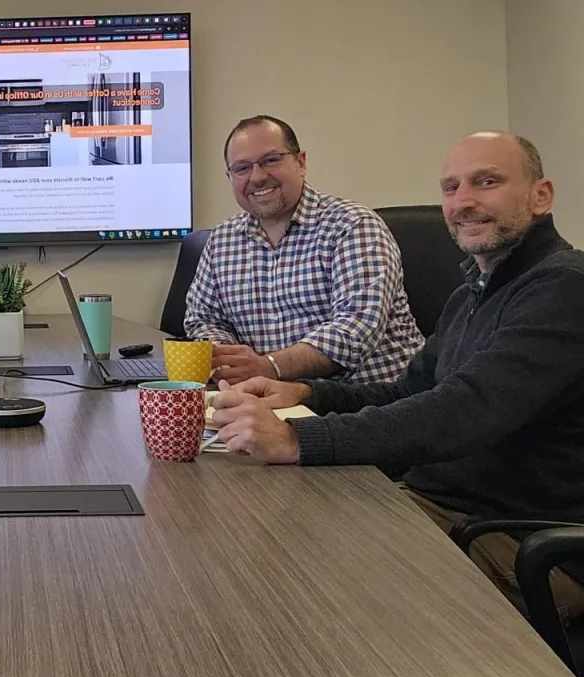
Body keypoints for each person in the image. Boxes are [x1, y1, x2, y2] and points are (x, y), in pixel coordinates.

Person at [211, 132, 584, 618]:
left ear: (541, 196)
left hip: (522, 542)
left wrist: (296, 439)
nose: (463, 202)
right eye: (451, 188)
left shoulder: (562, 287)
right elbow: (409, 391)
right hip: (444, 508)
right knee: (264, 535)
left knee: (291, 577)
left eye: (486, 182)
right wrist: (306, 392)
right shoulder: (474, 291)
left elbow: (463, 411)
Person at [182, 115, 424, 385]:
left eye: (271, 160)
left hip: (372, 405)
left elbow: (356, 328)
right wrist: (230, 361)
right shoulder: (222, 240)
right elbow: (203, 318)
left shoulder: (353, 225)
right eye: (242, 168)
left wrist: (269, 367)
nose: (258, 177)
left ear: (301, 163)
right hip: (273, 402)